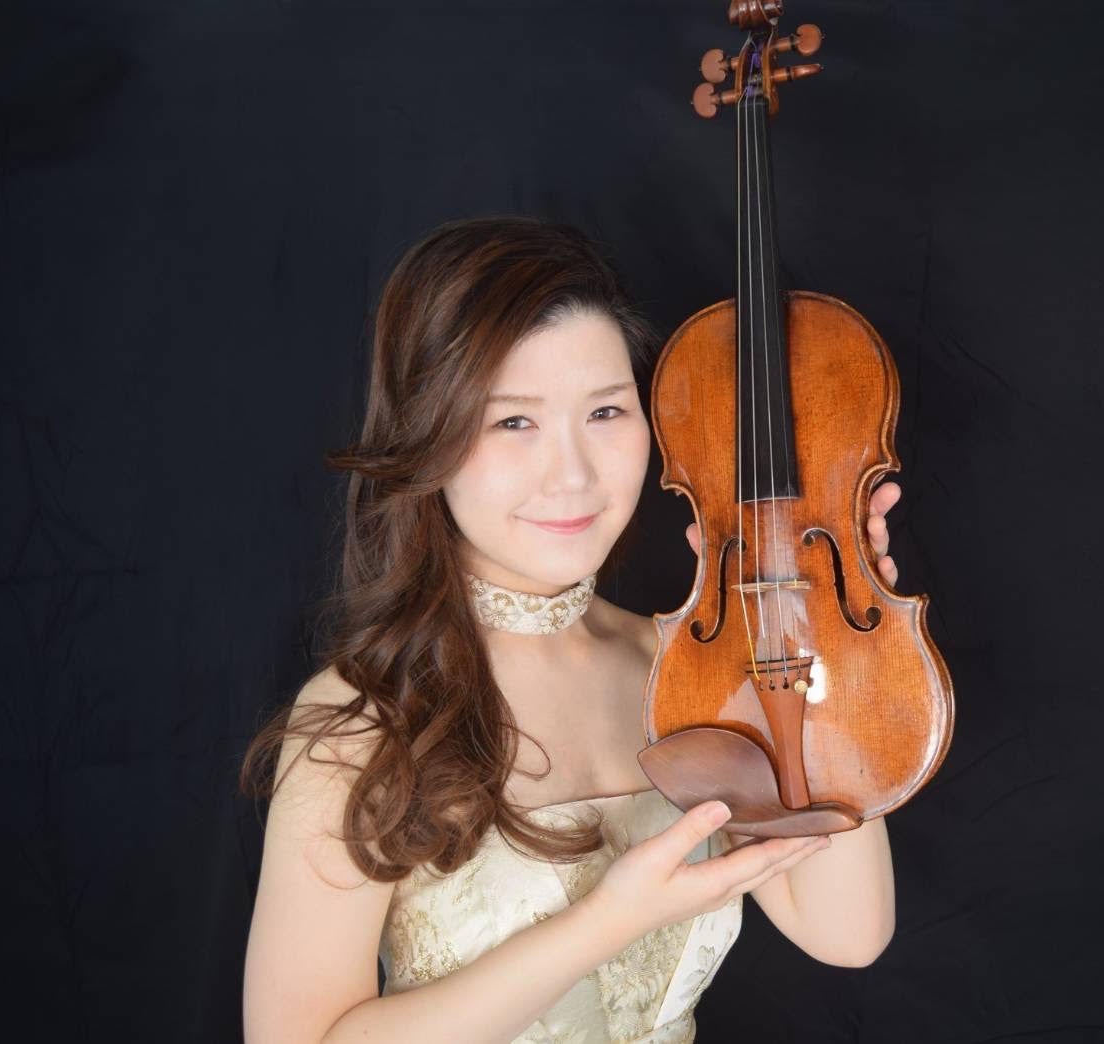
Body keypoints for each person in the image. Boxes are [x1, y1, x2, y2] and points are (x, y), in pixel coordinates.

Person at [239, 216, 904, 1043]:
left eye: (606, 411)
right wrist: (607, 920)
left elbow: (848, 932)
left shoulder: (684, 672)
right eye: (513, 422)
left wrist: (825, 635)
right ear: (427, 435)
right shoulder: (362, 722)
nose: (574, 473)